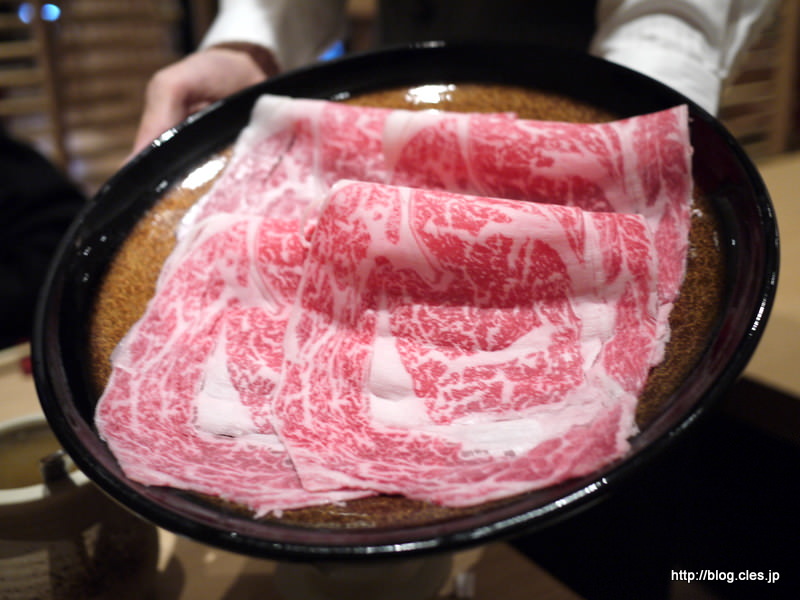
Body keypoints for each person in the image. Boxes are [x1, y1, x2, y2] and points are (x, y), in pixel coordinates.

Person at [132, 0, 779, 155]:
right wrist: (254, 43)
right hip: (402, 111)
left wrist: (621, 151)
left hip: (578, 110)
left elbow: (665, 23)